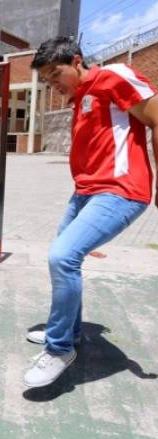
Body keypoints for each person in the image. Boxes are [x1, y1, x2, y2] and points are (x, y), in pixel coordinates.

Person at [23, 37, 158, 388]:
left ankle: (60, 348)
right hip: (85, 193)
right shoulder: (80, 97)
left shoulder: (113, 76)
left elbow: (157, 117)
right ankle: (72, 332)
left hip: (120, 190)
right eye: (48, 81)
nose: (54, 84)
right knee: (65, 259)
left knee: (62, 257)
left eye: (57, 74)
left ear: (77, 61)